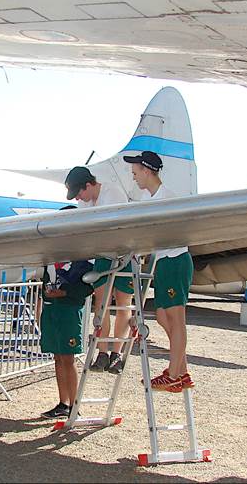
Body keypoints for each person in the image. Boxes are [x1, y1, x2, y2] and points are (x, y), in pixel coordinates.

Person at [123, 151, 195, 392]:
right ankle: (181, 371)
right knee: (164, 317)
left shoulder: (167, 198)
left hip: (175, 260)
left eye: (135, 173)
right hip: (163, 261)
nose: (134, 177)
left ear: (146, 170)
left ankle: (174, 374)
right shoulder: (148, 199)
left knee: (176, 318)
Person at [64, 166, 133, 374]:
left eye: (79, 193)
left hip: (124, 254)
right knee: (100, 303)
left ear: (88, 184)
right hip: (102, 255)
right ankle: (102, 352)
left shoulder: (113, 194)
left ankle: (117, 353)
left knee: (123, 303)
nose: (78, 199)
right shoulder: (85, 203)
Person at [39, 250, 94, 419]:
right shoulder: (49, 258)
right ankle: (63, 403)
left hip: (69, 311)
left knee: (68, 358)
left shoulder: (81, 259)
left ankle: (74, 405)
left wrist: (66, 292)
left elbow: (87, 287)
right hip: (51, 309)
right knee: (57, 357)